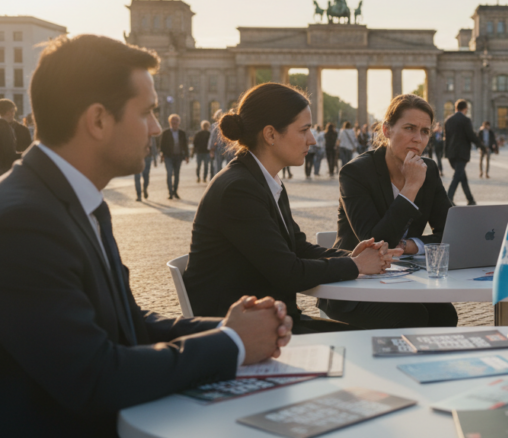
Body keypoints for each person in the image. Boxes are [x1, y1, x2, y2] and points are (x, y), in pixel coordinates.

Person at [0, 34, 291, 436]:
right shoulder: (21, 221)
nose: (156, 128)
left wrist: (231, 328)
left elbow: (128, 322)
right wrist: (233, 343)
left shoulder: (70, 198)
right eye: (147, 112)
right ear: (98, 120)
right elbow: (95, 376)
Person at [184, 82, 395, 334]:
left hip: (269, 320)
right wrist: (357, 265)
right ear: (271, 135)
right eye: (304, 130)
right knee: (369, 339)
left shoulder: (262, 180)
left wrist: (351, 256)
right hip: (241, 333)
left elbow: (298, 247)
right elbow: (289, 272)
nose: (312, 140)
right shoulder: (238, 190)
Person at [321, 94, 459, 329]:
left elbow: (452, 231)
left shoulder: (429, 169)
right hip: (352, 284)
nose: (418, 138)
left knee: (445, 314)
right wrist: (411, 187)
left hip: (406, 278)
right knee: (411, 316)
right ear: (386, 130)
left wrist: (411, 245)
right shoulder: (355, 173)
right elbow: (375, 242)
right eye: (409, 128)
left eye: (425, 131)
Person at [445, 99, 484, 205]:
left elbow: (447, 138)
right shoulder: (465, 120)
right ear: (465, 108)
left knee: (461, 176)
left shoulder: (448, 120)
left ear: (456, 108)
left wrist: (446, 153)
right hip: (462, 153)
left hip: (451, 153)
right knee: (457, 176)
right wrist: (481, 146)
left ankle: (470, 199)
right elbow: (471, 135)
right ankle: (448, 199)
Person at [159, 114, 189, 199]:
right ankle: (170, 193)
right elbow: (162, 144)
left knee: (176, 174)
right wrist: (162, 154)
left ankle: (175, 191)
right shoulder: (166, 133)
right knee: (169, 173)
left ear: (179, 122)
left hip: (178, 156)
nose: (174, 123)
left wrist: (187, 156)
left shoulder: (182, 133)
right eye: (173, 121)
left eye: (176, 121)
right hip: (168, 156)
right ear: (170, 122)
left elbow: (185, 145)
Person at [133, 136, 156, 201]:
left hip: (147, 158)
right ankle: (139, 195)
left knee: (146, 176)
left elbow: (153, 147)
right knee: (137, 177)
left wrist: (155, 159)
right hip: (137, 158)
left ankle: (145, 188)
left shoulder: (149, 134)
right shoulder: (134, 134)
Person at [0, 99, 18, 174]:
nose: (14, 114)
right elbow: (9, 153)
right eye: (13, 111)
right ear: (8, 112)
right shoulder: (5, 126)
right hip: (4, 169)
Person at [209, 109, 228, 174]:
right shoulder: (229, 124)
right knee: (229, 164)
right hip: (228, 147)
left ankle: (219, 178)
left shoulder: (215, 125)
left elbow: (213, 137)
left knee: (218, 166)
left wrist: (211, 148)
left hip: (219, 147)